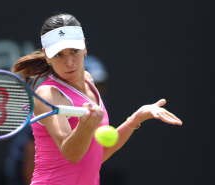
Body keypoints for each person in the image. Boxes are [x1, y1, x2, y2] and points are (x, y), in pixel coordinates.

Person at [12, 13, 182, 185]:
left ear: (84, 46)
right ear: (47, 55)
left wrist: (135, 119)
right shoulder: (48, 94)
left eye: (74, 51)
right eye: (59, 55)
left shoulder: (89, 81)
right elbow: (72, 155)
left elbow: (96, 156)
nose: (69, 62)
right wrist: (85, 126)